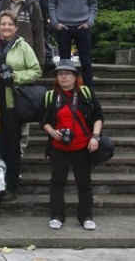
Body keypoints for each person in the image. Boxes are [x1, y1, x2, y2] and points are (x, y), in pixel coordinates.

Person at [0, 10, 41, 201]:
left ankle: (11, 185)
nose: (6, 27)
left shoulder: (23, 47)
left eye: (9, 24)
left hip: (12, 102)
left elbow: (36, 71)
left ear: (15, 27)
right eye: (3, 24)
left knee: (12, 146)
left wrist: (16, 77)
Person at [41, 59, 104, 231]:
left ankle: (86, 216)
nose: (63, 77)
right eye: (60, 74)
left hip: (82, 146)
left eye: (67, 73)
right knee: (57, 182)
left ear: (75, 76)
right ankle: (57, 215)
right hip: (58, 146)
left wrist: (95, 137)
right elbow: (44, 121)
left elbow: (98, 116)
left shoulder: (86, 94)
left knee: (84, 182)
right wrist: (52, 132)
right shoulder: (51, 96)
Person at [49, 0, 98, 89]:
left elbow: (93, 4)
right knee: (64, 62)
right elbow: (52, 3)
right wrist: (55, 23)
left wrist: (89, 22)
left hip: (83, 25)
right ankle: (64, 90)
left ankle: (89, 92)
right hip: (62, 26)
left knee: (86, 61)